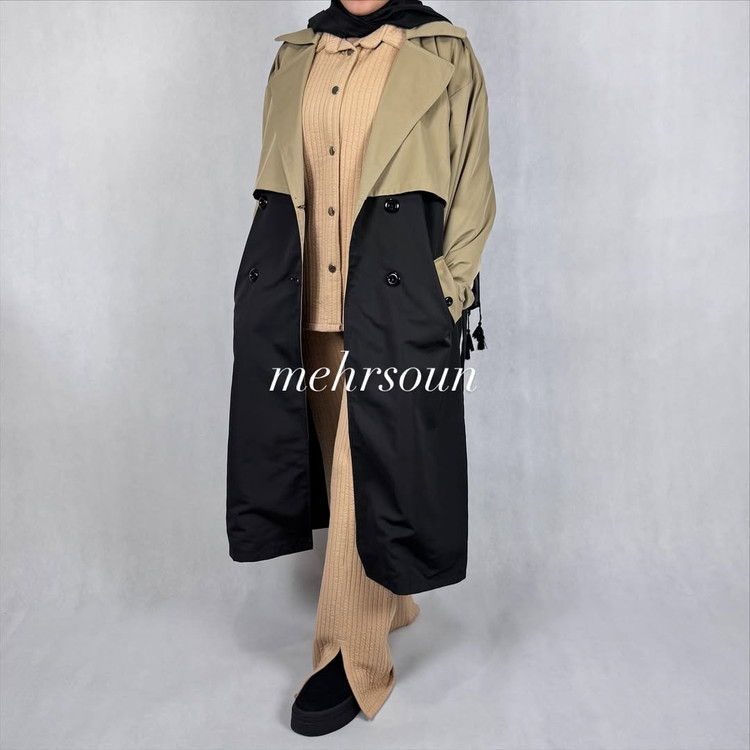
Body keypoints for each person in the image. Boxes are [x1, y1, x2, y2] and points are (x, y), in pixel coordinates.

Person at [226, 0, 496, 736]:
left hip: (395, 303)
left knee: (366, 464)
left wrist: (447, 292)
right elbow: (279, 178)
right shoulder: (295, 54)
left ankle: (351, 655)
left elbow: (472, 184)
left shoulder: (444, 51)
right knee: (334, 463)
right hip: (298, 297)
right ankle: (392, 601)